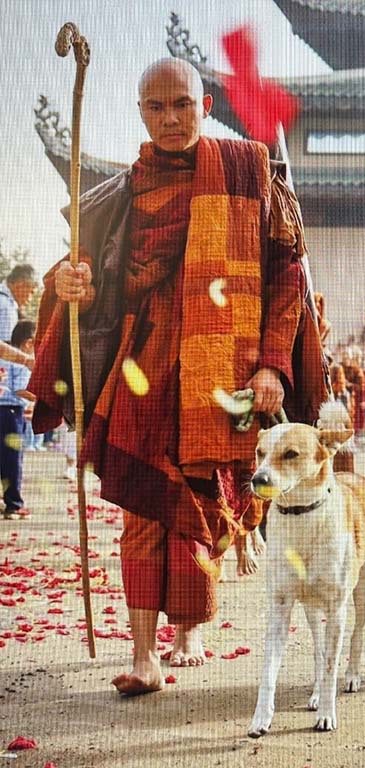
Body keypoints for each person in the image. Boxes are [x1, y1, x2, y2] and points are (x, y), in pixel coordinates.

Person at [30, 58, 328, 696]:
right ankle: (143, 656)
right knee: (142, 498)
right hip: (142, 366)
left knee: (202, 500)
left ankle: (188, 627)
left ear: (206, 104)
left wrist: (275, 361)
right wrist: (71, 283)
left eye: (182, 106)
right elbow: (86, 268)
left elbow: (287, 280)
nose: (170, 119)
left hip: (223, 367)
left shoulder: (249, 173)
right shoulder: (121, 192)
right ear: (140, 112)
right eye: (156, 107)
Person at [0, 320, 36, 519]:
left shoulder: (4, 355)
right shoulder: (22, 360)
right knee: (13, 461)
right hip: (11, 413)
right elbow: (21, 389)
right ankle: (14, 504)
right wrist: (41, 400)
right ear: (28, 343)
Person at [0, 265, 36, 343]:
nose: (29, 299)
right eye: (31, 292)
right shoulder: (7, 307)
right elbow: (5, 350)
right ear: (20, 285)